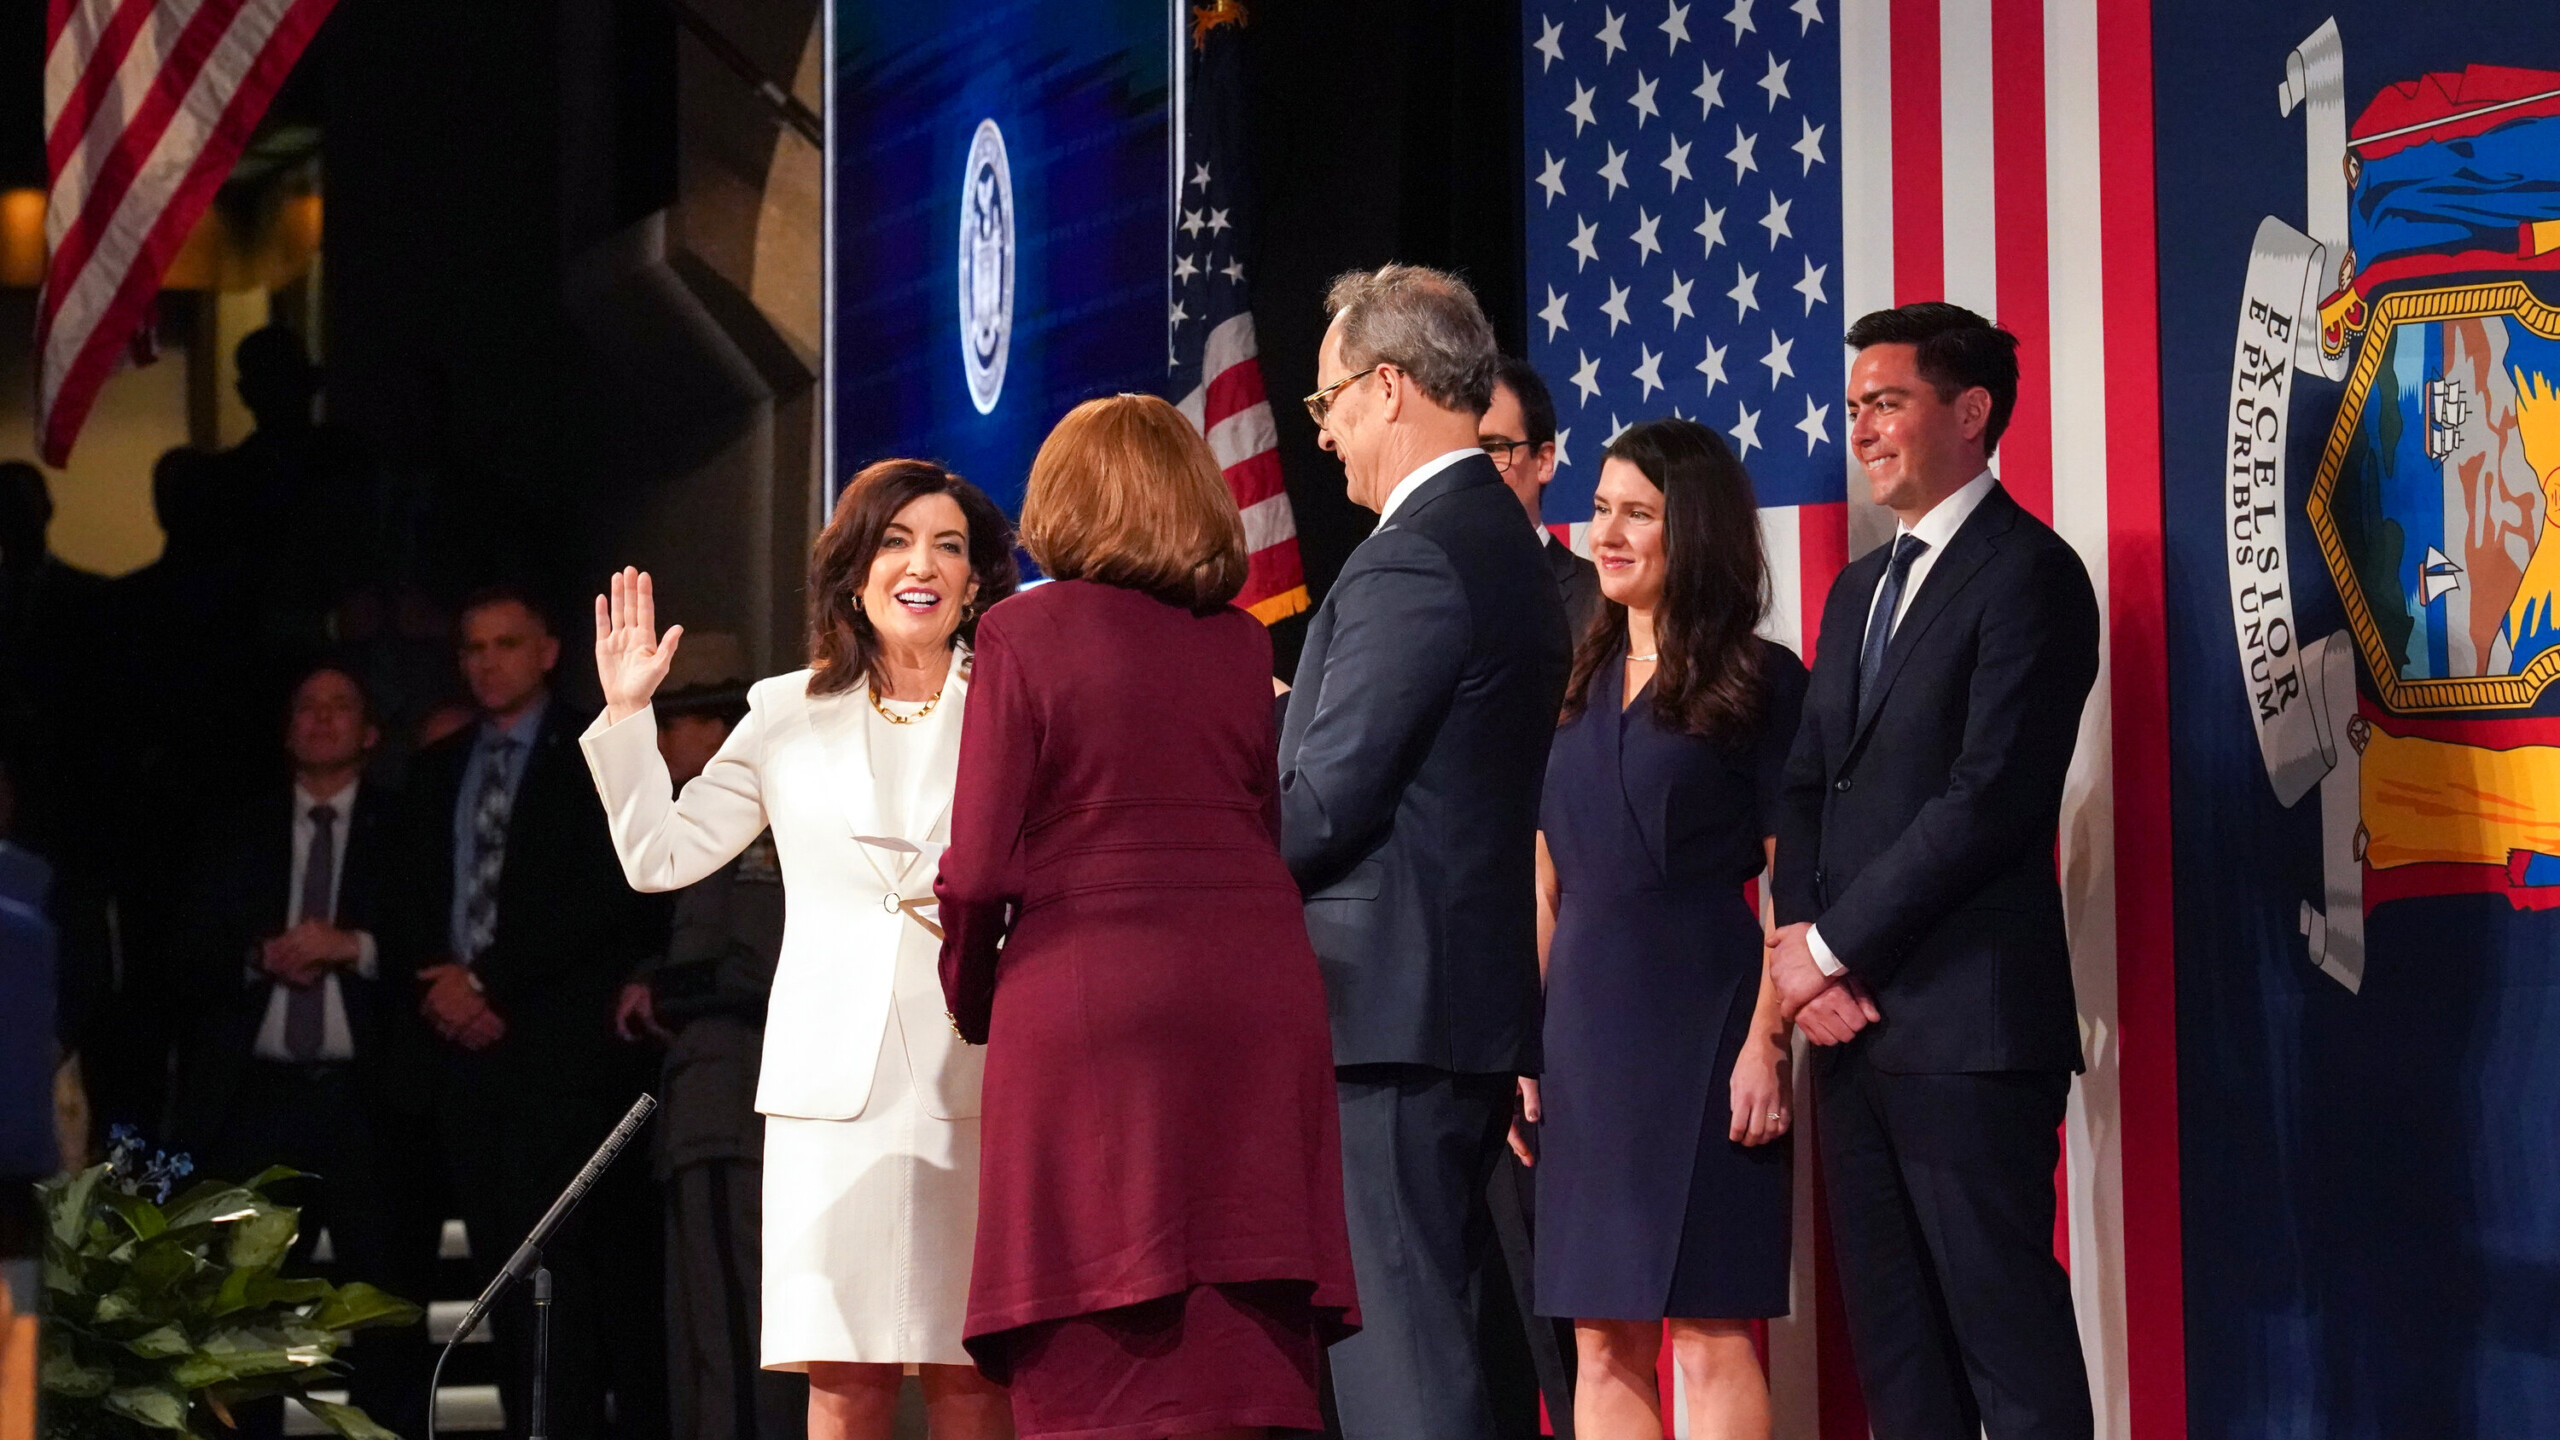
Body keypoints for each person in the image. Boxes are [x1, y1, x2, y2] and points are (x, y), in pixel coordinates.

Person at [935, 394, 1358, 1440]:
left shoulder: (1019, 631)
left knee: (1098, 1337)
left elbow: (980, 866)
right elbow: (1266, 822)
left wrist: (973, 996)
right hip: (1257, 990)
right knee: (1240, 1336)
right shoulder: (1234, 643)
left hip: (1092, 994)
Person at [582, 461, 1019, 1440]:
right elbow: (661, 854)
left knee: (971, 1372)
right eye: (897, 541)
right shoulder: (786, 710)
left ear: (978, 579)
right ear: (852, 572)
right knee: (845, 1376)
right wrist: (627, 715)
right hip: (832, 1090)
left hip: (977, 1071)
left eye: (947, 545)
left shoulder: (1011, 701)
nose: (922, 564)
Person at [1768, 302, 2100, 1440]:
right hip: (1850, 1037)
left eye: (1886, 403)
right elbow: (1809, 783)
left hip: (1968, 1035)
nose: (1859, 428)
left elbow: (1988, 804)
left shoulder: (2032, 576)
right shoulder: (1857, 590)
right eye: (1855, 405)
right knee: (1900, 1362)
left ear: (1970, 413)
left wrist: (1820, 950)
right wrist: (1807, 963)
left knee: (2005, 1349)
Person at [1277, 265, 1571, 1440]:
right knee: (1449, 1335)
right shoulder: (1495, 539)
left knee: (1399, 1350)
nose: (1328, 433)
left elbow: (1320, 805)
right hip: (1447, 1005)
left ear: (1387, 387)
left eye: (1330, 402)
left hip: (1387, 1015)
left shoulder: (1413, 555)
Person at [1513, 419, 1805, 1440]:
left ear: (1697, 530)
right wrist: (1522, 1042)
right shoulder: (1568, 679)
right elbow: (1544, 879)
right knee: (1600, 1337)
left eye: (1638, 512)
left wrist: (1767, 1039)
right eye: (1599, 509)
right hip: (1583, 1041)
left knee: (1712, 1332)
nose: (1608, 532)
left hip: (1710, 1030)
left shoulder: (1761, 682)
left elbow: (1793, 888)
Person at [382, 586, 668, 1440]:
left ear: (547, 651)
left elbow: (602, 899)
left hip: (564, 1056)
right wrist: (442, 987)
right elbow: (403, 898)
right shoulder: (437, 766)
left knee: (580, 1281)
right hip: (459, 1062)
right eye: (473, 648)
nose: (487, 663)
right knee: (503, 1283)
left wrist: (491, 984)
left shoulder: (595, 750)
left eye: (505, 644)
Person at [165, 665, 412, 1440]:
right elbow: (179, 952)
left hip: (367, 1099)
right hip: (253, 1097)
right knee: (245, 1309)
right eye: (307, 706)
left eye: (342, 706)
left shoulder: (404, 826)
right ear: (285, 729)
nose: (323, 720)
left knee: (383, 1305)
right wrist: (257, 956)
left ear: (370, 732)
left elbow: (435, 941)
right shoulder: (237, 829)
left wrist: (353, 946)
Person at [606, 632, 810, 1440]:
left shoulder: (753, 832)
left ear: (720, 730)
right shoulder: (710, 835)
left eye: (675, 725)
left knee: (738, 1323)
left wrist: (663, 986)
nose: (662, 744)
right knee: (707, 1324)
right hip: (710, 1102)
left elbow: (752, 968)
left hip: (737, 1101)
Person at [1484, 356, 1601, 640]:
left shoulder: (1602, 603)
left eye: (1494, 448)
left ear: (1544, 461)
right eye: (1461, 453)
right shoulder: (1417, 595)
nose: (1473, 468)